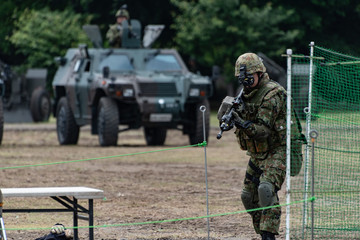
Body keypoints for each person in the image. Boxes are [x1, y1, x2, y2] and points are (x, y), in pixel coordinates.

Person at [217, 53, 302, 240]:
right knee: (247, 197)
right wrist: (228, 115)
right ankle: (263, 230)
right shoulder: (245, 94)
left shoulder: (273, 94)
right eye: (242, 79)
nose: (246, 83)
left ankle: (268, 234)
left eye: (249, 78)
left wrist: (241, 123)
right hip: (258, 153)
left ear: (260, 73)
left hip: (277, 149)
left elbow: (262, 131)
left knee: (265, 189)